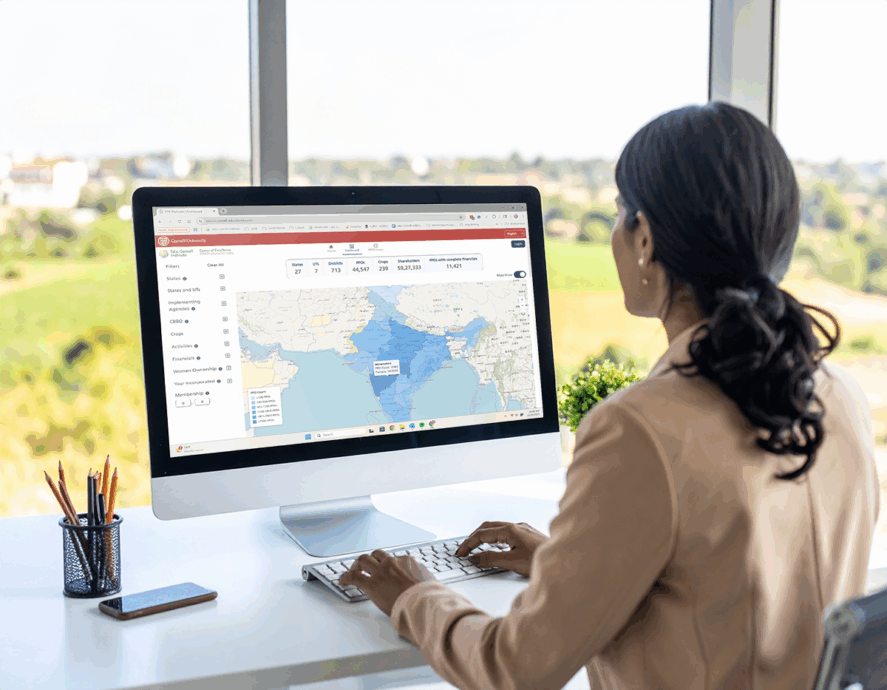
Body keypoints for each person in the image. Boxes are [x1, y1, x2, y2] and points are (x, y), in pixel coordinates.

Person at [339, 102, 880, 690]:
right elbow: (726, 595)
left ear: (643, 238)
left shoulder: (642, 430)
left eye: (622, 214)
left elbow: (514, 668)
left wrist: (415, 597)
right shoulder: (838, 397)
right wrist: (564, 564)